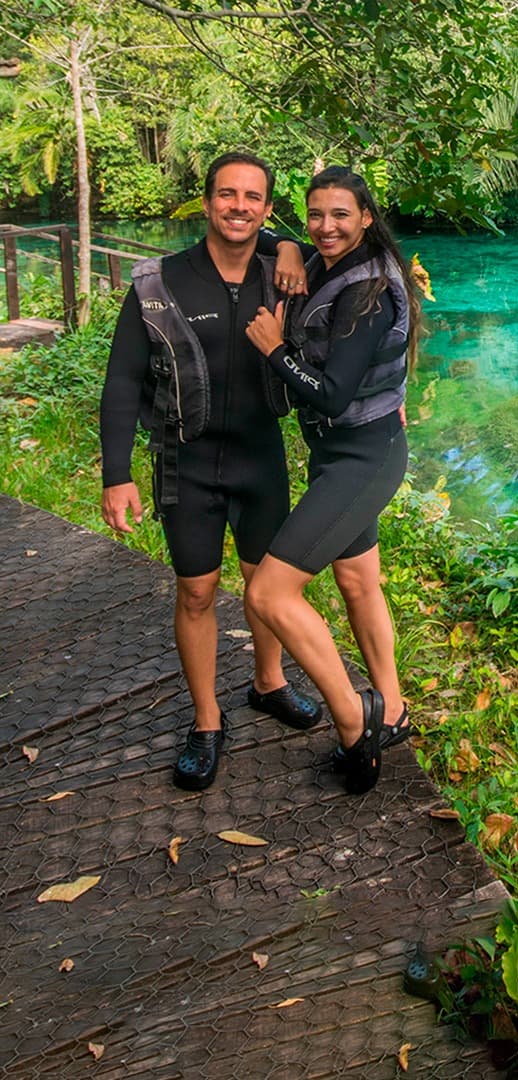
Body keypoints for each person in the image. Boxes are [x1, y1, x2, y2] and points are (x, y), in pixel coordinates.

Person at [99, 151, 325, 792]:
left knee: (268, 589)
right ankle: (205, 720)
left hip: (261, 458)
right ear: (206, 202)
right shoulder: (158, 283)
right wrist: (118, 474)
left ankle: (268, 682)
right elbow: (121, 383)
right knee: (197, 592)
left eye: (253, 197)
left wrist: (283, 246)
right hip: (185, 462)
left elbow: (342, 247)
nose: (238, 206)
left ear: (266, 208)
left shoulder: (286, 274)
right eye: (227, 194)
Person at [242, 166, 418, 795]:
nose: (326, 227)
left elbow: (338, 392)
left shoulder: (367, 292)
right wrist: (286, 244)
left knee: (268, 595)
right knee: (357, 580)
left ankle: (354, 722)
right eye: (315, 215)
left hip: (363, 457)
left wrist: (274, 349)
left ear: (366, 217)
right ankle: (393, 706)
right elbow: (256, 235)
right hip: (342, 453)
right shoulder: (325, 260)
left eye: (340, 215)